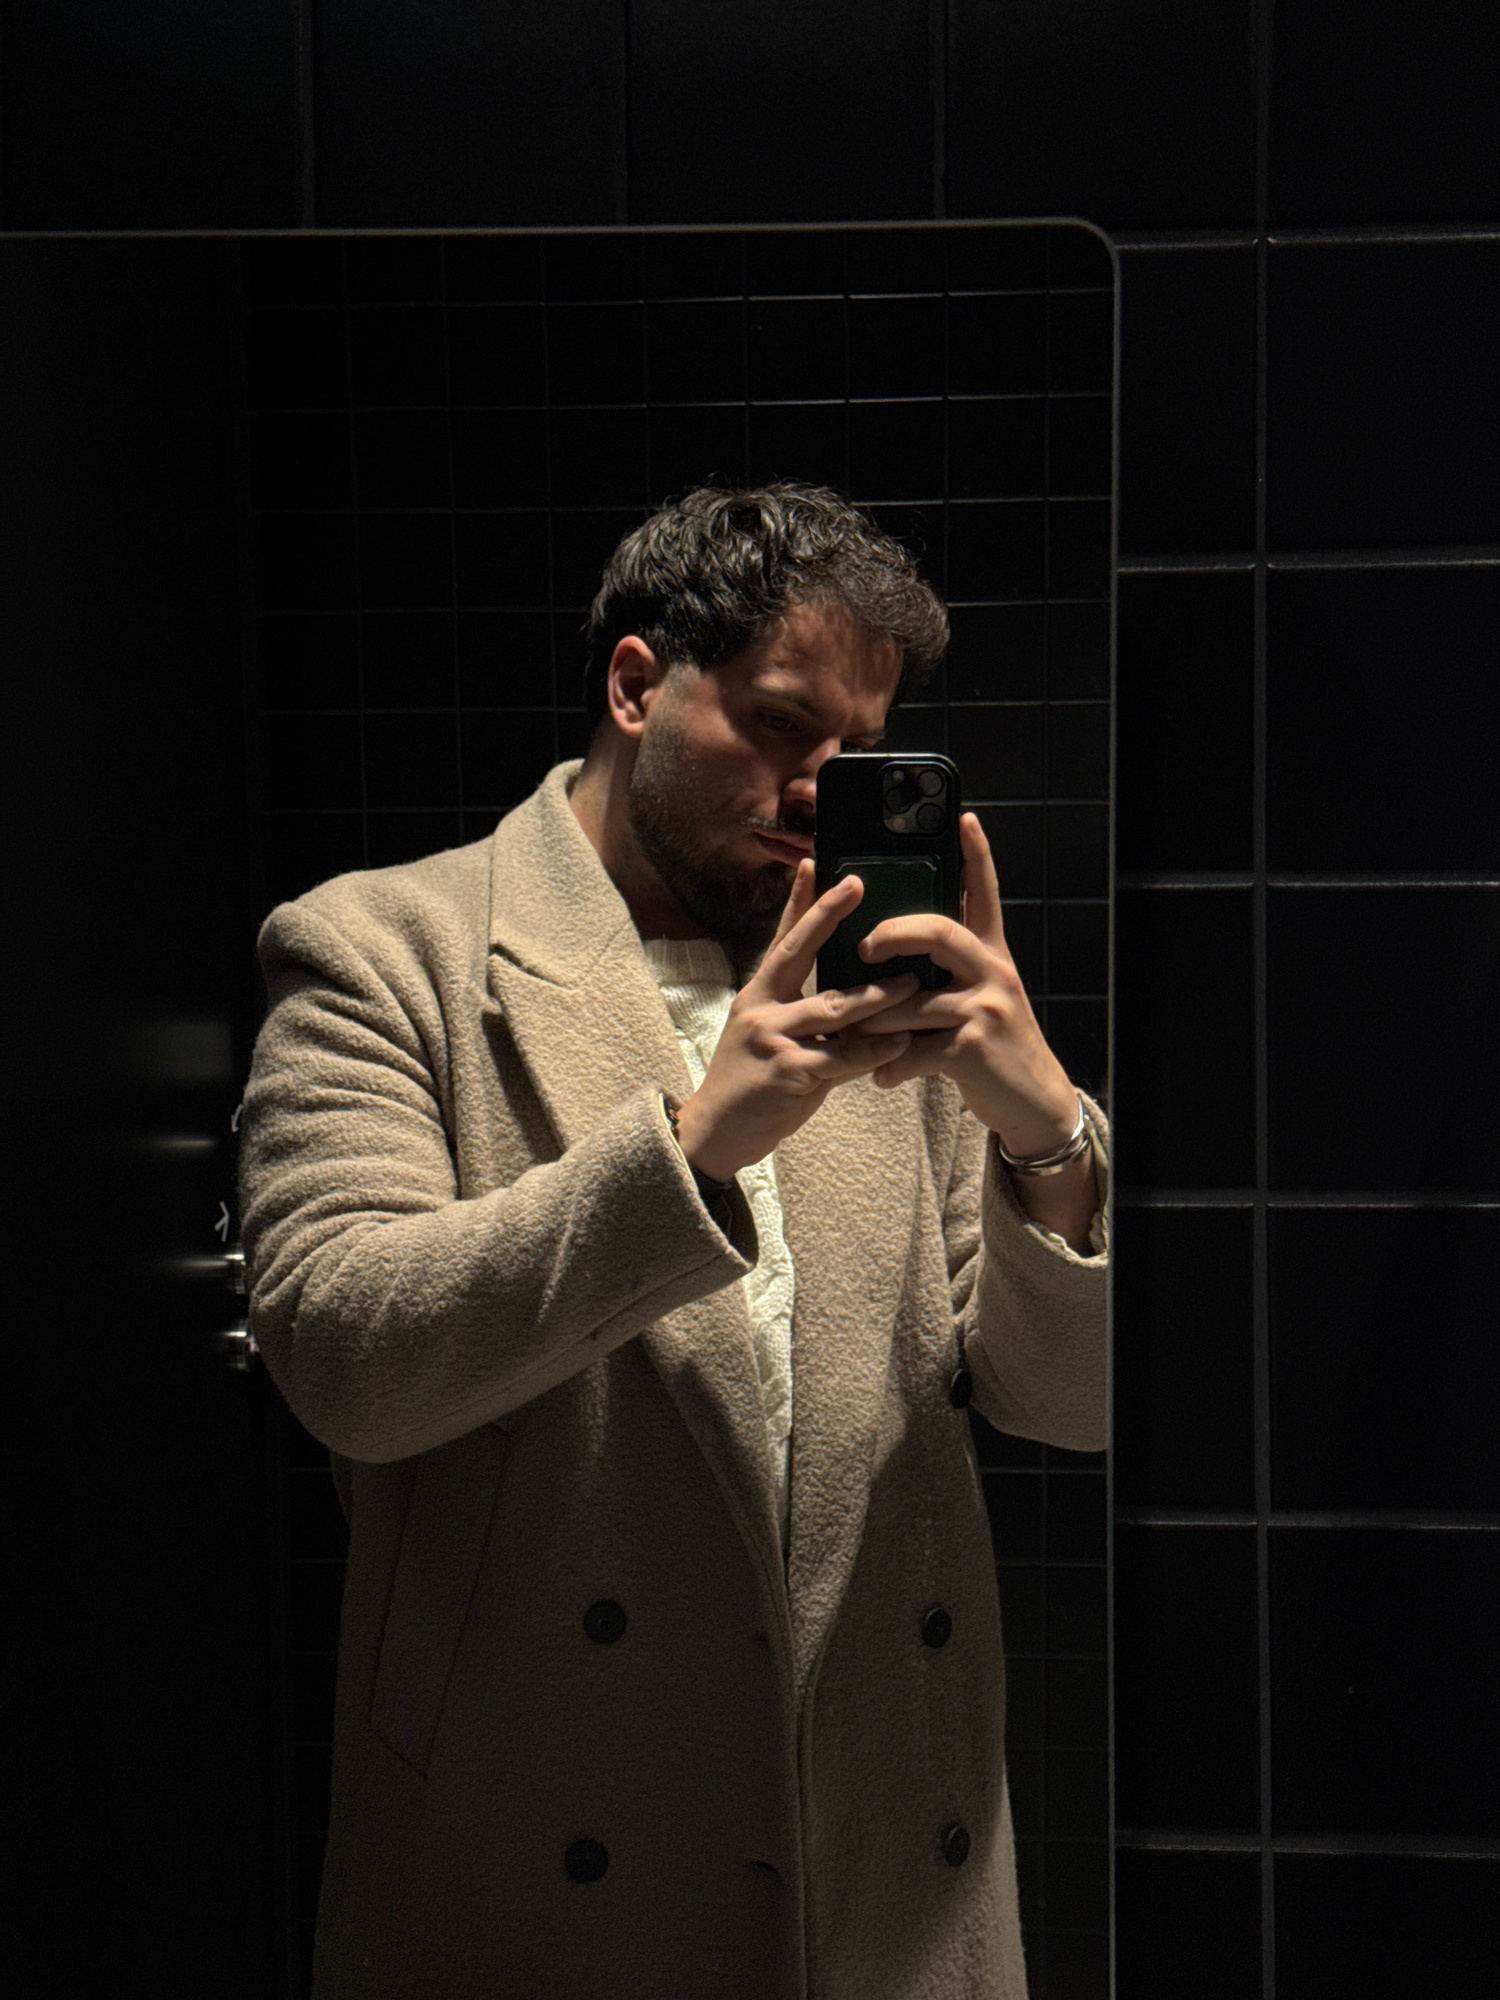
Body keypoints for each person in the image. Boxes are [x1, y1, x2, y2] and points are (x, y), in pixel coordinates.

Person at [240, 483, 1108, 2000]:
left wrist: (1047, 1135)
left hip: (890, 1867)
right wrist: (693, 1151)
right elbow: (346, 1359)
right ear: (637, 685)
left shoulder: (887, 990)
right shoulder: (382, 952)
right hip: (547, 1858)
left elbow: (1072, 1403)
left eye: (859, 749)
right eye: (779, 725)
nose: (817, 789)